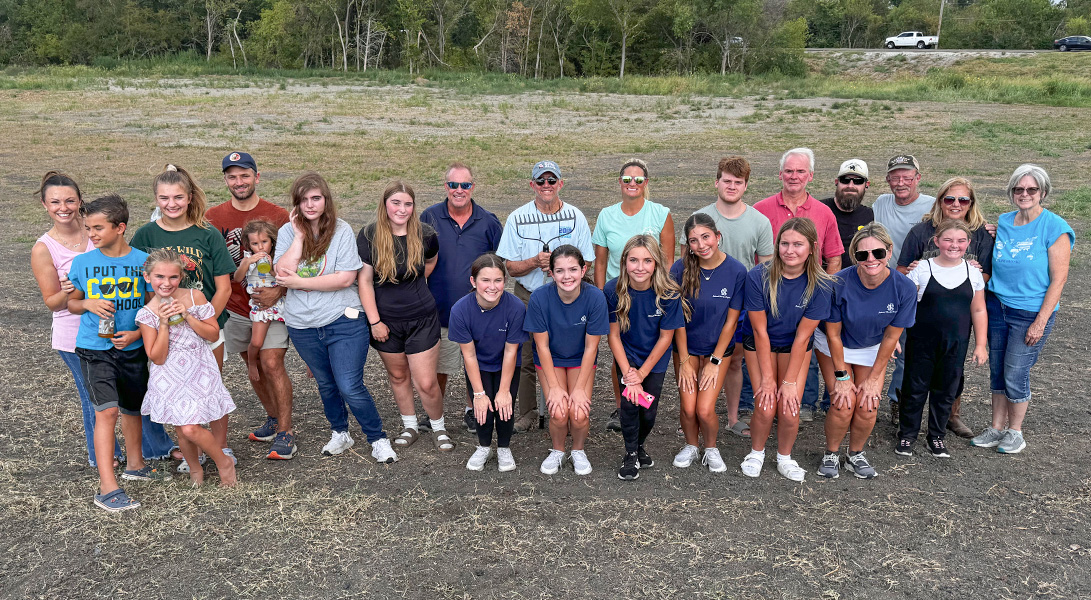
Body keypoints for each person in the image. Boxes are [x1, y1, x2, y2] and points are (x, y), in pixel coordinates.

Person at [274, 172, 397, 464]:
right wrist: (300, 236)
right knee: (326, 383)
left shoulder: (341, 230)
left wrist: (299, 283)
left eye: (316, 198)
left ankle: (377, 438)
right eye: (304, 200)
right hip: (302, 324)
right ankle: (340, 431)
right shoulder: (287, 233)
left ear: (326, 200)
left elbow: (344, 279)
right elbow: (281, 273)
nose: (310, 205)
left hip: (343, 319)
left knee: (349, 385)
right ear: (296, 204)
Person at [131, 164, 236, 472]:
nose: (171, 204)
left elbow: (224, 287)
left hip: (203, 322)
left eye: (178, 197)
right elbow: (143, 286)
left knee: (210, 387)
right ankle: (194, 452)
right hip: (166, 328)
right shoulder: (146, 234)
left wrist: (204, 322)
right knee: (178, 390)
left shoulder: (207, 233)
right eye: (164, 198)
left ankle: (220, 445)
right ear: (156, 199)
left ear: (190, 197)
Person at [67, 194, 169, 512]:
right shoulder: (82, 263)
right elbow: (72, 303)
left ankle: (136, 465)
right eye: (88, 228)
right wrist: (87, 304)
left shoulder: (143, 261)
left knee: (132, 407)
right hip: (95, 347)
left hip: (132, 347)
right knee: (106, 412)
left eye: (97, 228)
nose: (91, 234)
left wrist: (138, 332)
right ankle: (107, 487)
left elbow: (154, 303)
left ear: (120, 227)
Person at [972, 164, 1073, 455]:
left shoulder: (1054, 227)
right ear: (1011, 192)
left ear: (1042, 192)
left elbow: (1060, 279)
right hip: (997, 305)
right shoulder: (1003, 222)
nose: (1024, 194)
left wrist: (1040, 321)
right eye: (1019, 189)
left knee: (1016, 371)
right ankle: (996, 427)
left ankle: (1015, 432)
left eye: (1031, 189)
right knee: (997, 369)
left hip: (1030, 312)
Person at [31, 171, 126, 468]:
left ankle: (138, 449)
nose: (64, 207)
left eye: (70, 200)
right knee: (93, 397)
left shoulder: (95, 232)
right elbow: (52, 302)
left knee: (123, 389)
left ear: (80, 201)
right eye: (55, 202)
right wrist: (70, 290)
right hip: (74, 333)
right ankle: (103, 456)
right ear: (45, 205)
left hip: (112, 323)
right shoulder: (44, 249)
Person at [206, 152, 294, 460]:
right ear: (226, 181)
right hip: (236, 308)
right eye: (232, 176)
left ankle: (286, 432)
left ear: (257, 177)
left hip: (272, 305)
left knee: (271, 364)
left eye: (245, 175)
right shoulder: (214, 218)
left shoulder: (279, 215)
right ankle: (272, 417)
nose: (239, 182)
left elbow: (297, 260)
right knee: (252, 366)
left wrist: (279, 292)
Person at [497, 160, 595, 432]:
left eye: (552, 181)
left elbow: (587, 260)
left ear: (560, 184)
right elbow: (509, 267)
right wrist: (533, 262)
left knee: (570, 352)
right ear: (532, 185)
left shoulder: (576, 216)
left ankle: (574, 404)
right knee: (528, 355)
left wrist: (561, 269)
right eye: (541, 181)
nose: (546, 186)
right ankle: (528, 412)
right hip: (529, 296)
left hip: (568, 296)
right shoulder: (517, 218)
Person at [815, 223, 915, 480]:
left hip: (872, 346)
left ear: (889, 251)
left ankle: (855, 454)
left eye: (878, 253)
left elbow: (893, 336)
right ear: (854, 256)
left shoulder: (904, 287)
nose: (871, 259)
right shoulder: (838, 283)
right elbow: (834, 334)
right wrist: (842, 377)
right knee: (843, 402)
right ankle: (831, 453)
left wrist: (872, 380)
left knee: (869, 404)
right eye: (862, 255)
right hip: (834, 345)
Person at [897, 176, 994, 438]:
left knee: (952, 370)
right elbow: (902, 269)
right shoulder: (921, 231)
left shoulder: (983, 234)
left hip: (959, 309)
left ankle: (951, 416)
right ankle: (906, 421)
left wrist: (964, 274)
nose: (956, 204)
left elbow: (986, 275)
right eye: (949, 198)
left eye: (963, 199)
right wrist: (917, 271)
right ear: (940, 200)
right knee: (915, 371)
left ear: (971, 203)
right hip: (925, 314)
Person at [358, 181, 451, 453]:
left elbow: (431, 261)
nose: (402, 209)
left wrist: (414, 284)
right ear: (385, 204)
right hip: (385, 321)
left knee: (426, 381)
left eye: (407, 204)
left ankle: (439, 427)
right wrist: (375, 322)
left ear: (414, 206)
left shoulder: (425, 234)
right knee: (398, 376)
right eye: (395, 203)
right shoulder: (369, 235)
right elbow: (364, 281)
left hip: (421, 317)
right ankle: (409, 425)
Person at [739, 218, 833, 482]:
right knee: (766, 405)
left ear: (812, 248)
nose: (790, 250)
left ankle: (784, 457)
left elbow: (804, 336)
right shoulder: (758, 276)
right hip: (761, 343)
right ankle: (756, 453)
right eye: (785, 243)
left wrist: (789, 382)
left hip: (796, 346)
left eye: (798, 244)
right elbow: (759, 331)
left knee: (790, 408)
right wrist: (768, 379)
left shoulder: (821, 284)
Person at [754, 148, 843, 422]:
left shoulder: (824, 212)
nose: (794, 176)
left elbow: (834, 257)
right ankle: (756, 402)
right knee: (761, 346)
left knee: (806, 346)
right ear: (780, 174)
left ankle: (802, 403)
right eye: (789, 171)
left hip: (807, 292)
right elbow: (754, 256)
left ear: (811, 176)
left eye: (800, 171)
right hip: (769, 294)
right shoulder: (760, 210)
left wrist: (821, 290)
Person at [136, 248, 237, 486]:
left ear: (180, 277)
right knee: (182, 429)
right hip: (168, 374)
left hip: (199, 368)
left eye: (172, 277)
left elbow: (212, 335)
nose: (166, 283)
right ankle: (195, 470)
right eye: (159, 277)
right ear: (147, 277)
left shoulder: (195, 297)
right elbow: (157, 357)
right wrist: (163, 324)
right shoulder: (146, 314)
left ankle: (223, 462)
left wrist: (189, 316)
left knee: (191, 428)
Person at [594, 158, 675, 433]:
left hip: (651, 292)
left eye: (638, 179)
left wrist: (662, 292)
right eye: (627, 179)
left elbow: (668, 260)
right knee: (621, 355)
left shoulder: (660, 214)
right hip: (619, 295)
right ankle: (623, 405)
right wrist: (601, 297)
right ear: (619, 182)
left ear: (646, 183)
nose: (632, 183)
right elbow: (601, 263)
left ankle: (645, 401)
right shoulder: (606, 215)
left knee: (652, 346)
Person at [420, 162, 502, 435]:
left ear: (472, 187)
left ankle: (472, 410)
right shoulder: (428, 218)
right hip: (439, 308)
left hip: (478, 311)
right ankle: (436, 412)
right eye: (453, 185)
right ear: (445, 187)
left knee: (475, 364)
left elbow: (498, 265)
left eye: (464, 185)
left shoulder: (488, 221)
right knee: (439, 365)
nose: (458, 190)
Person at [695, 156, 774, 423]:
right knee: (699, 356)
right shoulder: (700, 218)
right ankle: (696, 413)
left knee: (736, 358)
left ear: (745, 186)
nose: (731, 186)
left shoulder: (760, 222)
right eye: (726, 181)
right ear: (716, 182)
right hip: (704, 299)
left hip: (741, 302)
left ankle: (731, 417)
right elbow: (687, 262)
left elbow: (765, 270)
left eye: (737, 182)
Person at [670, 213, 747, 472]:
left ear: (717, 237)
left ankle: (711, 448)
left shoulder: (736, 271)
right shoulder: (679, 270)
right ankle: (692, 445)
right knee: (689, 407)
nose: (701, 245)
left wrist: (714, 362)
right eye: (694, 240)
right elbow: (676, 319)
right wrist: (684, 361)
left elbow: (731, 322)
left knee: (704, 409)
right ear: (688, 244)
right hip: (686, 348)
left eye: (705, 237)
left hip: (718, 349)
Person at [604, 235, 684, 480]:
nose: (640, 267)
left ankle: (638, 447)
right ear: (624, 262)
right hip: (627, 358)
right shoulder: (613, 289)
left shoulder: (668, 292)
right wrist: (629, 372)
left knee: (648, 411)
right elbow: (613, 336)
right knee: (629, 405)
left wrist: (642, 373)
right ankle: (630, 455)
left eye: (647, 261)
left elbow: (665, 338)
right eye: (634, 260)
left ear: (656, 263)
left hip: (654, 360)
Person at [524, 245, 609, 476]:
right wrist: (552, 387)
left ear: (583, 270)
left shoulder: (595, 298)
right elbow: (541, 346)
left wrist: (580, 388)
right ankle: (558, 450)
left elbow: (592, 347)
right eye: (560, 271)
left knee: (579, 414)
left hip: (580, 359)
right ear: (551, 274)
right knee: (559, 412)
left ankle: (578, 450)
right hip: (550, 359)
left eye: (572, 269)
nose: (567, 276)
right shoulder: (540, 298)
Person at [871, 154, 936, 421]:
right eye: (895, 177)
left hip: (917, 288)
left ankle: (898, 400)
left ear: (918, 178)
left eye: (907, 177)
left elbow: (960, 229)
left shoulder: (933, 206)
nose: (901, 182)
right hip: (881, 283)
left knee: (905, 349)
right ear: (887, 180)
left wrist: (988, 229)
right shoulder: (880, 203)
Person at [449, 254, 527, 472]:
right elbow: (469, 355)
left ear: (505, 281)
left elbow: (511, 351)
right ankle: (484, 446)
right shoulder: (461, 310)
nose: (492, 287)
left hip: (507, 362)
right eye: (485, 280)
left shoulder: (515, 307)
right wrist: (479, 394)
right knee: (482, 407)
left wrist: (503, 390)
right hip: (479, 363)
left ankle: (503, 447)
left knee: (504, 404)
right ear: (473, 282)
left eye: (498, 280)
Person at [232, 220, 285, 382]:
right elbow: (237, 278)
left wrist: (270, 268)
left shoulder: (278, 257)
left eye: (264, 242)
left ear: (272, 241)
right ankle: (252, 363)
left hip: (281, 303)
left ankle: (310, 363)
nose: (260, 247)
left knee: (301, 333)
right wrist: (246, 263)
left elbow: (283, 279)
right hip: (261, 307)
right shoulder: (248, 259)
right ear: (248, 245)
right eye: (255, 243)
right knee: (256, 341)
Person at [820, 159, 875, 269]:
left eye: (858, 181)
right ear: (837, 182)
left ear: (866, 185)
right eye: (845, 180)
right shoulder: (821, 209)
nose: (850, 186)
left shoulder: (869, 215)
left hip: (857, 280)